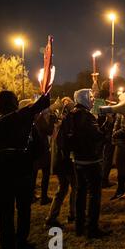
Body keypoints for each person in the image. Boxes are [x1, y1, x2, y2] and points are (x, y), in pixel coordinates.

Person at [0, 91, 50, 249]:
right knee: (23, 211)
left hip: (1, 178)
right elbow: (38, 148)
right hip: (21, 175)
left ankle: (10, 248)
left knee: (6, 214)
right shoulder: (24, 123)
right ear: (14, 103)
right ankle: (20, 243)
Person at [63, 89, 108, 239]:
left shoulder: (71, 114)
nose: (93, 100)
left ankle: (79, 226)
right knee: (94, 194)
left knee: (81, 193)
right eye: (91, 97)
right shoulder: (86, 116)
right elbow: (97, 136)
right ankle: (92, 228)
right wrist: (106, 123)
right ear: (84, 99)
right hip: (91, 160)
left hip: (77, 160)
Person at [45, 97, 76, 228]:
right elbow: (64, 145)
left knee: (62, 189)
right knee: (76, 186)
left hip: (60, 161)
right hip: (65, 162)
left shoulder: (59, 124)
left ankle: (51, 218)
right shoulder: (64, 124)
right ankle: (73, 215)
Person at [98, 80, 116, 188]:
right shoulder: (102, 101)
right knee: (107, 157)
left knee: (103, 157)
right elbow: (102, 119)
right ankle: (104, 180)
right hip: (106, 134)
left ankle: (102, 178)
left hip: (102, 134)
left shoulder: (99, 100)